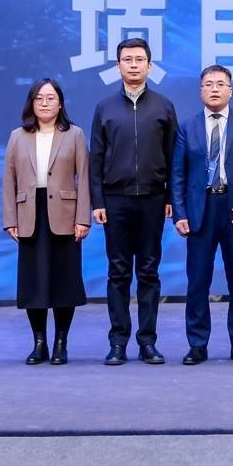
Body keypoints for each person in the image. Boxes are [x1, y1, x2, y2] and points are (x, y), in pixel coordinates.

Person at [171, 65, 233, 364]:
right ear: (200, 90)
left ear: (231, 91)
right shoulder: (187, 127)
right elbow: (177, 174)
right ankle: (197, 344)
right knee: (197, 281)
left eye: (220, 84)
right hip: (200, 212)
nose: (214, 89)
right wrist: (179, 213)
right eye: (209, 84)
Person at [89, 38, 178, 365]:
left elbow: (174, 157)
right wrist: (97, 200)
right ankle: (118, 342)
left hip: (153, 200)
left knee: (149, 272)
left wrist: (170, 197)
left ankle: (147, 342)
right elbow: (96, 158)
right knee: (118, 272)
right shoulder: (105, 108)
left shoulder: (164, 106)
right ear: (118, 67)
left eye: (140, 59)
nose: (134, 65)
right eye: (127, 60)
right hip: (115, 200)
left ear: (150, 66)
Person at [1, 78, 91, 365]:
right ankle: (39, 343)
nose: (45, 103)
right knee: (34, 282)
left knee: (64, 281)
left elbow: (84, 178)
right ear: (31, 103)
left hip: (65, 214)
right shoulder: (17, 136)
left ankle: (61, 343)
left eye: (51, 98)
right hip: (30, 213)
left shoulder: (74, 134)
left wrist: (83, 218)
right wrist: (10, 219)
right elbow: (8, 180)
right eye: (39, 98)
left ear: (60, 103)